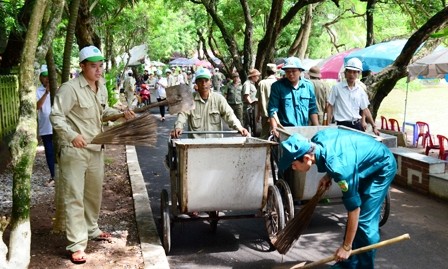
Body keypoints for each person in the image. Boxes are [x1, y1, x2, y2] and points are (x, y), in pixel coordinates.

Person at [50, 45, 135, 264]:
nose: (98, 70)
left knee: (93, 194)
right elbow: (56, 116)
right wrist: (71, 135)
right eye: (93, 66)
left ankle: (91, 228)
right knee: (75, 196)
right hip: (75, 150)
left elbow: (103, 113)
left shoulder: (102, 87)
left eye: (100, 66)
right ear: (83, 66)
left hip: (97, 147)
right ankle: (76, 245)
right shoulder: (70, 89)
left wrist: (120, 114)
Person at [278, 128, 396, 269]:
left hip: (381, 167)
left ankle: (363, 265)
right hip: (361, 163)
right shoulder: (317, 140)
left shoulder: (340, 169)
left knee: (364, 222)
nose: (294, 168)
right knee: (358, 223)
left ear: (307, 158)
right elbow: (336, 153)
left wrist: (346, 246)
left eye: (294, 165)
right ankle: (349, 264)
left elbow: (354, 209)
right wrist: (328, 175)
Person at [171, 68, 249, 139]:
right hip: (195, 145)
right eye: (200, 81)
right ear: (196, 83)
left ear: (210, 82)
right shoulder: (189, 99)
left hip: (215, 143)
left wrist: (239, 127)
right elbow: (182, 115)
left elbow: (229, 115)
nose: (203, 83)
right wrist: (178, 127)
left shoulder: (219, 99)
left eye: (206, 80)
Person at [326, 58, 380, 135]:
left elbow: (365, 109)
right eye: (349, 71)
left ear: (358, 74)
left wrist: (373, 126)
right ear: (345, 73)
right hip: (341, 125)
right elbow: (329, 106)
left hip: (356, 125)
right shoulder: (337, 88)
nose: (351, 74)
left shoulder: (360, 90)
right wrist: (328, 124)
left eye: (355, 72)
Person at [268, 56, 319, 137]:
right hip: (285, 131)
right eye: (288, 71)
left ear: (300, 71)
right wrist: (274, 128)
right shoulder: (277, 86)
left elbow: (312, 109)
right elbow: (272, 110)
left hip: (304, 130)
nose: (290, 74)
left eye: (293, 71)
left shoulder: (308, 86)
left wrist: (317, 129)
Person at [36, 64, 55, 186]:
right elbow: (38, 106)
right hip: (46, 127)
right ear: (40, 78)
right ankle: (53, 176)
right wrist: (46, 93)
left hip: (58, 126)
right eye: (44, 76)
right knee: (49, 152)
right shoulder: (38, 91)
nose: (47, 79)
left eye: (49, 76)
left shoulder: (58, 90)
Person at [257, 63, 278, 139]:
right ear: (275, 72)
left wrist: (258, 113)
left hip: (265, 113)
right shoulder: (278, 83)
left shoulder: (261, 83)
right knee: (277, 133)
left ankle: (263, 149)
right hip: (276, 114)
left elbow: (259, 100)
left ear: (266, 72)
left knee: (264, 134)